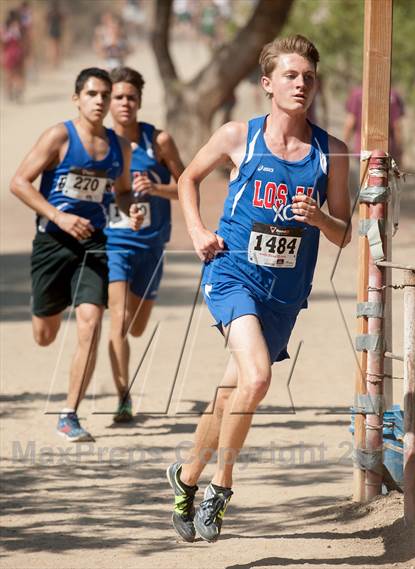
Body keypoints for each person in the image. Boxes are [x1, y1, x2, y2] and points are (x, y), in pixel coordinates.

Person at [166, 34, 351, 543]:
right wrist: (200, 232)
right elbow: (187, 178)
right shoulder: (237, 136)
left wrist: (319, 217)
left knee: (230, 395)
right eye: (291, 76)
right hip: (233, 274)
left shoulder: (329, 151)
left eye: (309, 77)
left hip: (285, 292)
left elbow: (345, 232)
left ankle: (184, 479)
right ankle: (220, 490)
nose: (301, 85)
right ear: (268, 84)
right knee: (258, 379)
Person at [10, 67, 143, 442]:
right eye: (92, 94)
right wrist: (58, 216)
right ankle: (47, 306)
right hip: (53, 242)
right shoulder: (59, 137)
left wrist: (129, 212)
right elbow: (19, 182)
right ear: (77, 99)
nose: (100, 101)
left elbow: (120, 193)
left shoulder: (121, 147)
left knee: (90, 322)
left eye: (105, 95)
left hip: (95, 244)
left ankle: (69, 414)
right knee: (45, 335)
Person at [104, 67, 184, 422]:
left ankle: (124, 389)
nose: (124, 103)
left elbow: (186, 186)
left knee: (136, 326)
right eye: (117, 97)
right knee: (118, 320)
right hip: (114, 241)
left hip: (151, 244)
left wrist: (156, 188)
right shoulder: (98, 143)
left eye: (130, 97)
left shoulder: (159, 141)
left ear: (139, 101)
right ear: (108, 102)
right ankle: (123, 396)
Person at [343, 85, 405, 165]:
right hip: (386, 151)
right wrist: (399, 150)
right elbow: (397, 126)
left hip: (363, 149)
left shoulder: (358, 94)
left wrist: (345, 144)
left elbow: (350, 122)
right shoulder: (393, 96)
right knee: (384, 176)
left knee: (362, 176)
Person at [1, 10, 25, 102]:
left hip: (8, 53)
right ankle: (18, 91)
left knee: (9, 74)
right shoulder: (19, 27)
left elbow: (2, 43)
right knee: (18, 74)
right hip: (18, 52)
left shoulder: (4, 28)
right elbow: (22, 41)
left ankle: (9, 92)